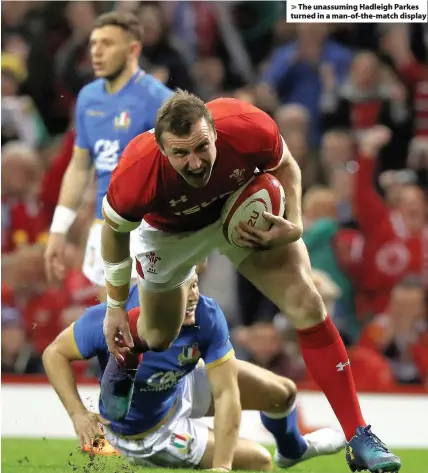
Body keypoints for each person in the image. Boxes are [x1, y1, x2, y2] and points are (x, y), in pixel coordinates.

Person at [100, 90, 401, 472]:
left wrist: (294, 225)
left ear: (213, 130)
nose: (194, 163)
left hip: (236, 212)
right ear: (161, 149)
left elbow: (287, 165)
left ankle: (359, 436)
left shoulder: (245, 125)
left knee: (306, 302)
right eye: (180, 154)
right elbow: (113, 233)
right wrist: (113, 307)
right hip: (168, 237)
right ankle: (125, 360)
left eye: (201, 147)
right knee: (159, 335)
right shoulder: (136, 172)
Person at [43, 273, 345, 470]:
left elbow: (227, 393)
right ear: (158, 296)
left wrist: (222, 467)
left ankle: (293, 449)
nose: (194, 297)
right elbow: (54, 353)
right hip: (149, 433)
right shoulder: (112, 320)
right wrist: (78, 414)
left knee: (283, 393)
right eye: (186, 290)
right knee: (258, 462)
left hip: (181, 385)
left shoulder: (206, 314)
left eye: (196, 284)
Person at [44, 11, 172, 300]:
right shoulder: (88, 99)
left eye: (107, 44)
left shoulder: (160, 101)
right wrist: (59, 229)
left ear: (133, 50)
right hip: (103, 225)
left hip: (147, 226)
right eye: (93, 44)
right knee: (114, 327)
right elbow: (79, 167)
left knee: (149, 326)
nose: (96, 53)